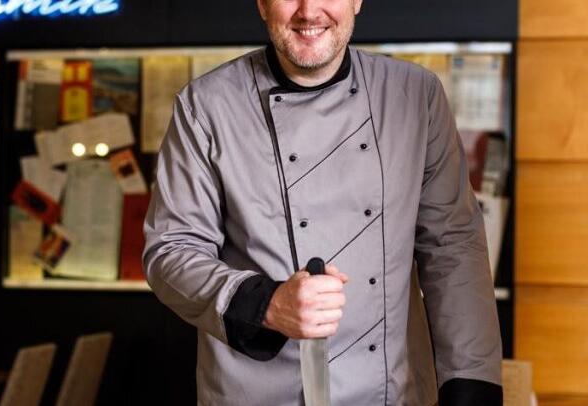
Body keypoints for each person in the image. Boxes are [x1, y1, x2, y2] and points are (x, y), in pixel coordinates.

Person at [143, 0, 503, 404]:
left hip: (389, 391)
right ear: (262, 5)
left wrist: (472, 383)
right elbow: (171, 250)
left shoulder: (416, 95)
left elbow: (453, 246)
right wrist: (263, 304)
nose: (309, 11)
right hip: (259, 393)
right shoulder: (205, 106)